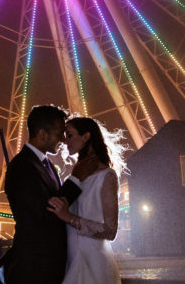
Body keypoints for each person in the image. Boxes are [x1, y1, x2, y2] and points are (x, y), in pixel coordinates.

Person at [1, 105, 96, 284]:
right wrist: (75, 179)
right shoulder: (22, 167)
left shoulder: (48, 165)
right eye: (59, 133)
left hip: (49, 266)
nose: (62, 139)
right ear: (43, 134)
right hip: (34, 268)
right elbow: (45, 214)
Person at [47, 117, 126, 284]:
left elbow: (110, 230)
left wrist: (69, 217)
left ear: (86, 136)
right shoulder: (75, 177)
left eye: (69, 135)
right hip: (72, 258)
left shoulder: (107, 176)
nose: (64, 141)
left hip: (92, 262)